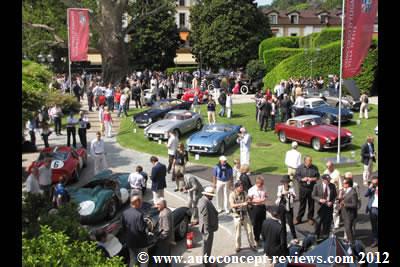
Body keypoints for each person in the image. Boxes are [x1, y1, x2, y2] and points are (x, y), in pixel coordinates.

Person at [229, 181, 257, 253]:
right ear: (236, 187)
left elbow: (248, 200)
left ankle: (252, 244)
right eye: (240, 187)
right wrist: (242, 204)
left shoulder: (244, 193)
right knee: (238, 232)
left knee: (250, 230)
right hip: (237, 215)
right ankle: (238, 246)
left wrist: (249, 200)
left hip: (244, 214)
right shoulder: (232, 195)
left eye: (242, 187)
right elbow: (232, 205)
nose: (242, 188)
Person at [121, 195, 149, 267]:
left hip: (130, 242)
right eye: (140, 202)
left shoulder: (125, 213)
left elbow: (123, 227)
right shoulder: (139, 215)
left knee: (133, 259)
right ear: (136, 203)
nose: (141, 204)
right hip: (140, 243)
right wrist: (146, 223)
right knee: (143, 260)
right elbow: (141, 229)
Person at [294, 156, 320, 225]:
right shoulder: (300, 168)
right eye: (309, 161)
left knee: (311, 205)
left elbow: (318, 177)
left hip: (312, 189)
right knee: (302, 204)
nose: (310, 162)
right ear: (305, 161)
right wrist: (302, 179)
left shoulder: (315, 167)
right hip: (303, 188)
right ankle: (298, 218)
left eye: (311, 161)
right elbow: (296, 176)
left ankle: (310, 218)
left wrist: (312, 179)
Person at [198, 186, 219, 266]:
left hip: (207, 228)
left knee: (206, 246)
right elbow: (205, 218)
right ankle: (207, 263)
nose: (212, 197)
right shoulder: (204, 202)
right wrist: (207, 231)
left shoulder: (203, 200)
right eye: (212, 195)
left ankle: (206, 260)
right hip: (207, 229)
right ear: (208, 195)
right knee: (207, 246)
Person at [312, 174, 337, 240]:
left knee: (327, 222)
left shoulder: (332, 186)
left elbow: (335, 196)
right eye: (327, 180)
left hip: (329, 207)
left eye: (329, 180)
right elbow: (313, 195)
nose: (329, 181)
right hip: (320, 207)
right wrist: (320, 200)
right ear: (323, 180)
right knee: (318, 222)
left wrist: (332, 202)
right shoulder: (317, 186)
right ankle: (317, 235)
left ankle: (325, 236)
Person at [275, 175, 297, 245]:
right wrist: (283, 193)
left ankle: (294, 237)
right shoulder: (280, 187)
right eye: (284, 182)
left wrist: (290, 194)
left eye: (287, 182)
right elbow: (278, 195)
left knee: (290, 223)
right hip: (282, 206)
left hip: (289, 207)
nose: (286, 183)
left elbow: (294, 196)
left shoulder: (291, 188)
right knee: (283, 222)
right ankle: (283, 236)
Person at [153, 198, 174, 266]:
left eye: (158, 204)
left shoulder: (164, 214)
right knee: (167, 257)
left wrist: (159, 238)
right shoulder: (167, 210)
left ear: (162, 205)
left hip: (164, 241)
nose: (156, 206)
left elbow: (166, 230)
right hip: (168, 239)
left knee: (160, 258)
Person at [248, 176, 267, 247]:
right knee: (256, 224)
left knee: (263, 223)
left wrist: (265, 198)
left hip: (262, 207)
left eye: (263, 183)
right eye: (261, 184)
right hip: (255, 208)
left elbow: (266, 195)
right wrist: (257, 200)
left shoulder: (264, 188)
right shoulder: (252, 190)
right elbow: (249, 200)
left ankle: (263, 236)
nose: (262, 185)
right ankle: (257, 239)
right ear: (257, 183)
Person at [338, 178, 358, 244]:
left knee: (348, 229)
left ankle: (352, 243)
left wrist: (344, 204)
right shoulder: (346, 191)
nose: (343, 184)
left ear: (348, 184)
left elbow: (354, 205)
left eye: (344, 183)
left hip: (349, 214)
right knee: (347, 229)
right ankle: (350, 242)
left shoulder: (353, 193)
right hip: (345, 213)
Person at [323, 161, 342, 229]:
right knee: (327, 209)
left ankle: (336, 223)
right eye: (327, 167)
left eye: (329, 167)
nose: (328, 168)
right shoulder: (325, 172)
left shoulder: (337, 173)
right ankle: (329, 221)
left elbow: (340, 185)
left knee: (335, 209)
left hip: (335, 194)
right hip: (327, 194)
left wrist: (340, 194)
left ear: (332, 166)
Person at [364, 176, 378, 247]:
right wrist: (370, 187)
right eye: (373, 182)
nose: (374, 183)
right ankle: (375, 240)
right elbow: (365, 195)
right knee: (374, 226)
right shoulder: (372, 188)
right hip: (373, 209)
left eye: (375, 182)